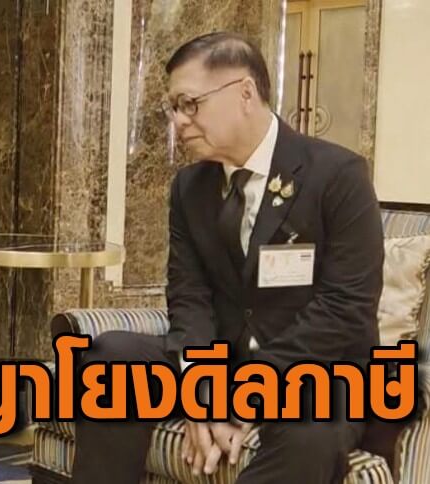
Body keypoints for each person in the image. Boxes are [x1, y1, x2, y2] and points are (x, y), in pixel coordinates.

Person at [71, 32, 383, 484]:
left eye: (190, 104)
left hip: (316, 371)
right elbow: (190, 295)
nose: (179, 121)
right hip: (224, 363)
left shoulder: (337, 175)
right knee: (112, 356)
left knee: (310, 430)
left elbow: (345, 309)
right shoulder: (190, 187)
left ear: (245, 93)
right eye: (172, 108)